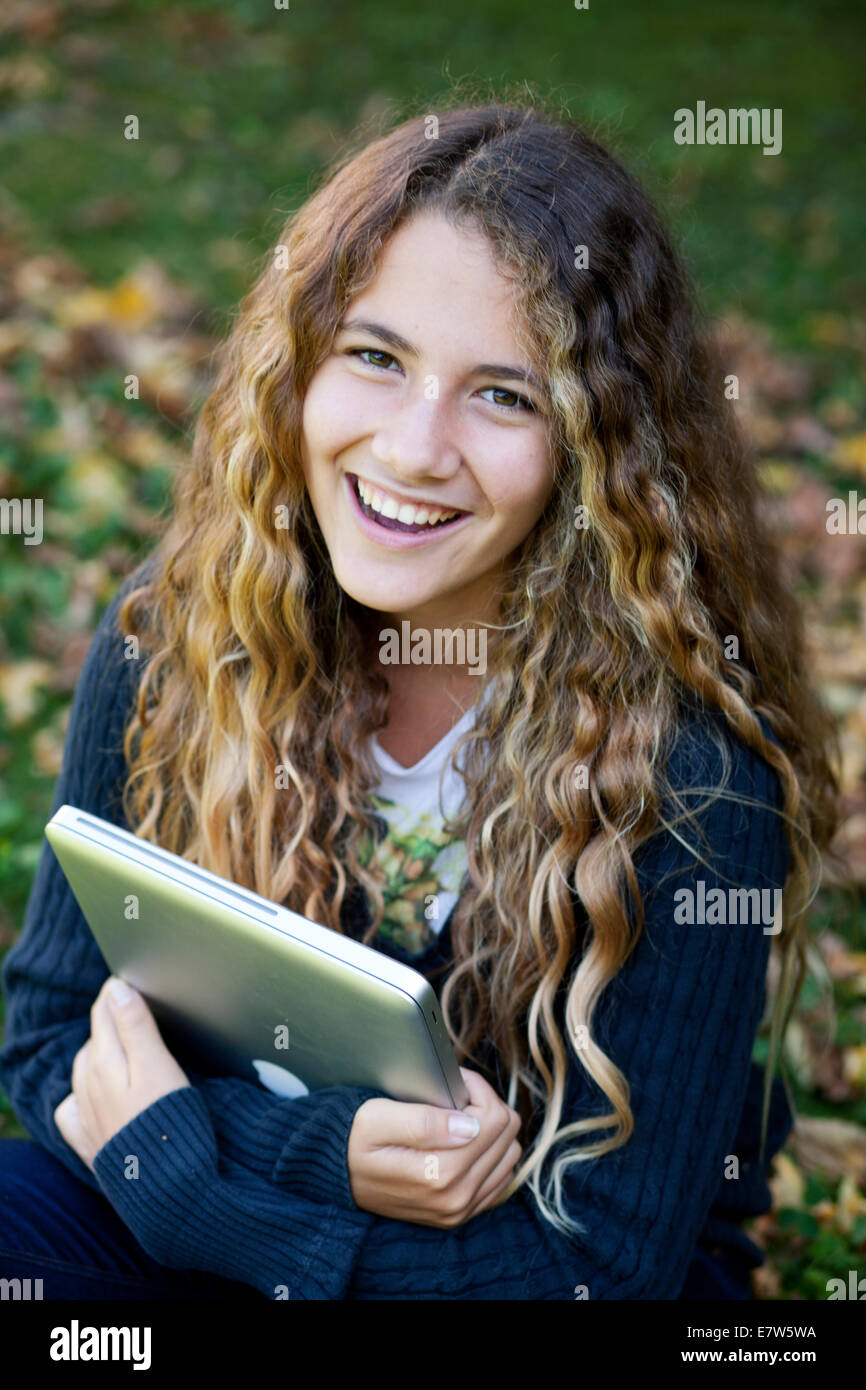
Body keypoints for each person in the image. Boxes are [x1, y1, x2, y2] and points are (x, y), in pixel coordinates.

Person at [0, 95, 839, 1301]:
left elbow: (599, 1266)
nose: (410, 447)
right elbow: (53, 1036)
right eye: (375, 357)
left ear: (600, 447)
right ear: (297, 361)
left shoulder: (688, 782)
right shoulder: (178, 634)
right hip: (197, 1199)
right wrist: (300, 1157)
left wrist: (198, 1194)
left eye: (503, 395)